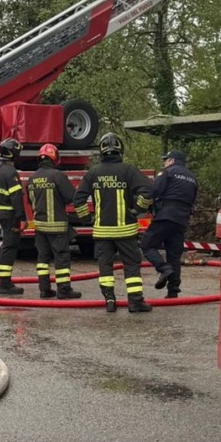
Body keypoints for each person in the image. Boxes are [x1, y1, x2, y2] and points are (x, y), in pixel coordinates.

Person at [74, 133, 153, 313]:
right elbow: (147, 190)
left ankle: (109, 300)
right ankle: (135, 302)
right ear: (120, 150)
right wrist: (137, 210)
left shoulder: (93, 172)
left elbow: (78, 199)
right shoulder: (128, 170)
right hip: (126, 231)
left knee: (105, 266)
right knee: (131, 265)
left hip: (102, 232)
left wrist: (87, 219)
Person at [26, 143, 82, 299]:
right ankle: (64, 290)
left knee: (43, 258)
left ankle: (44, 289)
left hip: (40, 226)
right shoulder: (57, 175)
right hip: (56, 226)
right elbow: (71, 197)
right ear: (54, 158)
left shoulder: (32, 178)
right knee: (61, 256)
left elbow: (31, 202)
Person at [142, 149, 198, 298]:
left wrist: (140, 204)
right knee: (174, 255)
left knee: (147, 245)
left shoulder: (168, 172)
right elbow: (192, 199)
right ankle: (173, 290)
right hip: (181, 220)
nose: (164, 163)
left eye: (166, 160)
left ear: (172, 160)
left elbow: (154, 191)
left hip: (165, 216)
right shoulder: (192, 178)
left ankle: (163, 269)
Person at [0, 138, 26, 295]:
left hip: (1, 213)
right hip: (10, 215)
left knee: (7, 245)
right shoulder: (11, 173)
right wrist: (22, 218)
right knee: (10, 247)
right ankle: (5, 284)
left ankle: (5, 281)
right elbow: (16, 197)